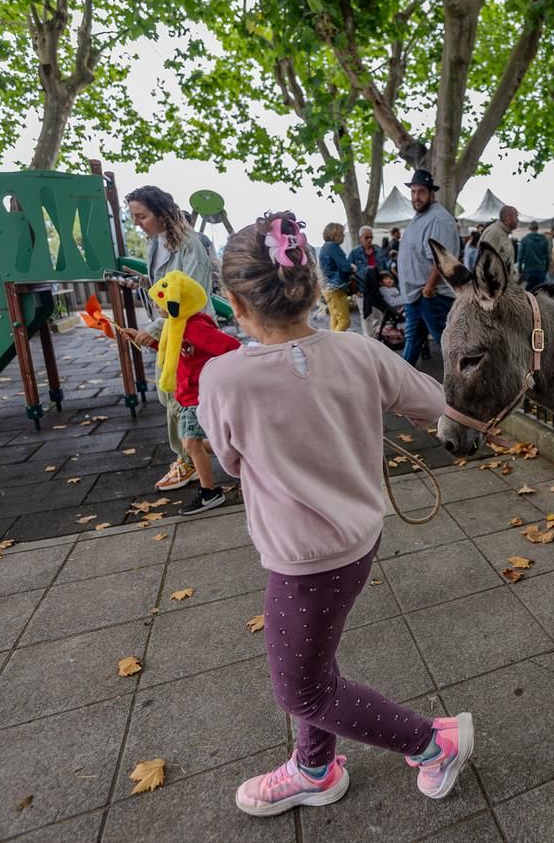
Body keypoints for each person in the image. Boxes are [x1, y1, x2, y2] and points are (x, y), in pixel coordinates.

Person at [198, 211, 474, 816]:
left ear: (236, 304)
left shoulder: (223, 379)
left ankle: (432, 743)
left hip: (303, 557)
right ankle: (315, 766)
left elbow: (229, 460)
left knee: (299, 686)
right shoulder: (359, 352)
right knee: (314, 657)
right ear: (315, 289)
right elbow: (439, 405)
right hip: (358, 538)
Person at [119, 185, 214, 492]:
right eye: (134, 216)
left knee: (178, 394)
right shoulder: (155, 242)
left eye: (142, 216)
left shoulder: (189, 244)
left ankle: (188, 460)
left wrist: (156, 330)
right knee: (172, 393)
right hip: (171, 329)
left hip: (190, 330)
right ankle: (202, 448)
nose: (137, 222)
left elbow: (193, 297)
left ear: (161, 213)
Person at [131, 271, 240, 514]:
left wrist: (215, 374)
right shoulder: (177, 325)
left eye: (160, 303)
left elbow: (231, 347)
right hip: (186, 393)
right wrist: (148, 342)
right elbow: (172, 349)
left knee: (191, 443)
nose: (158, 308)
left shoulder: (194, 327)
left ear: (175, 302)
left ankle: (210, 492)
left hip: (196, 394)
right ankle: (239, 449)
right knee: (194, 441)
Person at [397, 169, 458, 366]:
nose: (416, 197)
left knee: (449, 347)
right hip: (417, 296)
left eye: (421, 191)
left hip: (431, 297)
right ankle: (400, 386)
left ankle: (467, 388)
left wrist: (429, 289)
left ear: (431, 193)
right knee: (413, 342)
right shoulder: (421, 217)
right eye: (413, 192)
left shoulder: (439, 219)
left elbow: (443, 258)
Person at [349, 224, 392, 331]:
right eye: (366, 237)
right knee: (366, 315)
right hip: (362, 289)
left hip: (378, 289)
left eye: (371, 237)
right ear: (360, 238)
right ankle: (369, 340)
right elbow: (348, 273)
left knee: (380, 313)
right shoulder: (354, 253)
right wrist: (355, 289)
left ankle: (377, 336)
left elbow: (385, 268)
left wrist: (388, 282)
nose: (369, 240)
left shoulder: (378, 250)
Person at [318, 223, 358, 332]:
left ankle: (332, 343)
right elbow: (345, 267)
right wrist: (352, 267)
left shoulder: (325, 247)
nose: (343, 236)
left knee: (335, 319)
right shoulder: (333, 246)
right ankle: (334, 344)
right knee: (344, 321)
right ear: (333, 234)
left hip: (327, 287)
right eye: (341, 233)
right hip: (336, 287)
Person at [480, 205, 518, 272]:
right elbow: (486, 267)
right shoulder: (494, 233)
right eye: (516, 217)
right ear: (508, 218)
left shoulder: (503, 234)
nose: (518, 220)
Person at [517, 220, 551, 291]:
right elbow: (547, 256)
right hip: (541, 269)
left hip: (529, 270)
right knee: (541, 293)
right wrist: (546, 268)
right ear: (537, 228)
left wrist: (520, 269)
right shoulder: (544, 239)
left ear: (529, 228)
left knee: (530, 294)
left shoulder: (525, 240)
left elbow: (520, 256)